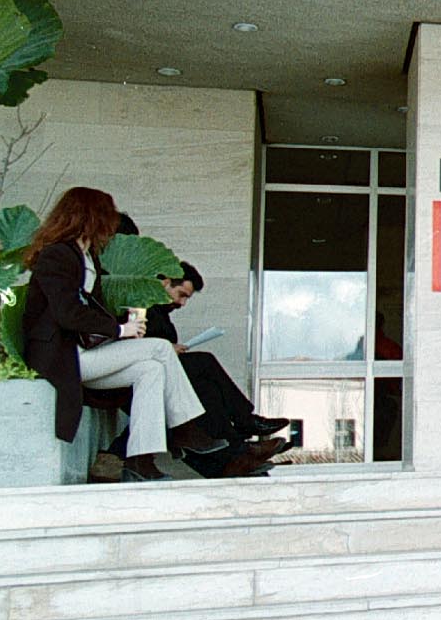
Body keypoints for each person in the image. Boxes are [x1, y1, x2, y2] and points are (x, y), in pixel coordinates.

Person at [20, 186, 208, 482]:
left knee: (150, 370)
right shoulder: (57, 254)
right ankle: (185, 429)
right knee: (160, 348)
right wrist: (120, 329)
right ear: (90, 215)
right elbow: (67, 313)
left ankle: (140, 461)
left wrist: (123, 327)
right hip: (61, 356)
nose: (112, 222)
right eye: (107, 214)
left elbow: (90, 308)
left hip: (84, 353)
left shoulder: (87, 258)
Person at [146, 264, 294, 477]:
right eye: (181, 295)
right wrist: (167, 348)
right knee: (204, 362)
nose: (182, 303)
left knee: (207, 390)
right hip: (148, 376)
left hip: (166, 377)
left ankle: (238, 450)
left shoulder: (162, 315)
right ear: (166, 282)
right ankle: (245, 422)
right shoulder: (141, 308)